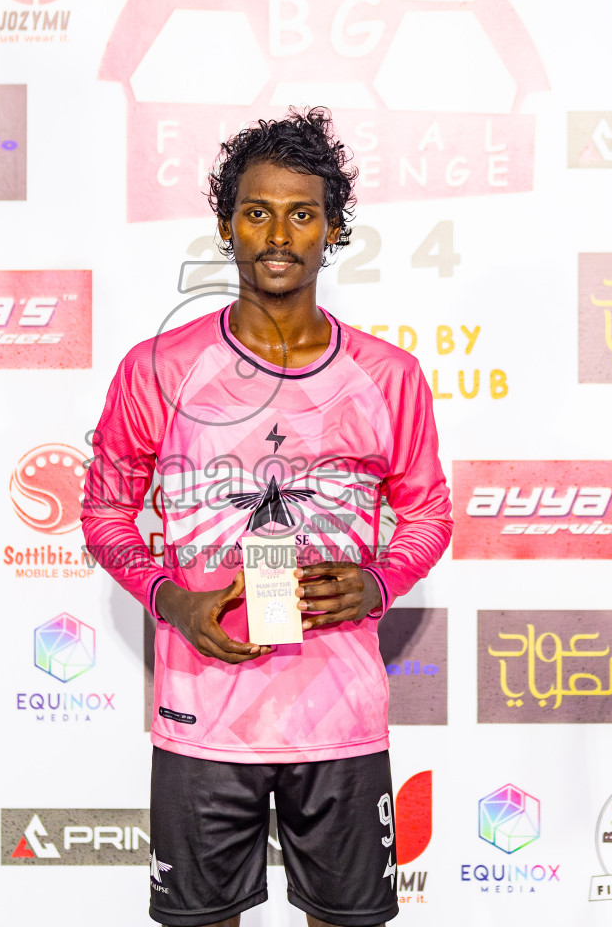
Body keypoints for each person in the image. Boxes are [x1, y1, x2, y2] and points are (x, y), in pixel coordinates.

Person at [83, 107, 451, 927]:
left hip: (341, 719)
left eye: (301, 213)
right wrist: (170, 600)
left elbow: (428, 514)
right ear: (226, 227)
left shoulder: (388, 377)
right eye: (257, 212)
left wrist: (379, 583)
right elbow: (106, 511)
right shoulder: (157, 370)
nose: (278, 233)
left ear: (332, 231)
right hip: (202, 720)